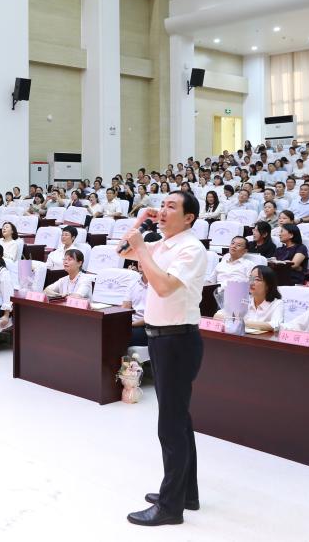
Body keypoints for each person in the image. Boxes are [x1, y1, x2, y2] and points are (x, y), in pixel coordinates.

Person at [119, 191, 207, 526]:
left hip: (178, 341)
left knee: (170, 426)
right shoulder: (164, 244)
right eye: (163, 205)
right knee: (179, 421)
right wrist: (141, 219)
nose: (164, 211)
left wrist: (143, 247)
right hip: (160, 339)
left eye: (172, 207)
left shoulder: (190, 248)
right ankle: (187, 493)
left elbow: (164, 287)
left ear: (189, 218)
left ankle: (171, 507)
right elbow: (122, 251)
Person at [217, 265, 283, 332]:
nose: (251, 283)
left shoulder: (277, 304)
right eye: (251, 278)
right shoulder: (244, 300)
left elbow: (275, 326)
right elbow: (217, 316)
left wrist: (240, 321)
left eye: (257, 279)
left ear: (268, 285)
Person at [121, 262, 148, 346]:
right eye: (139, 258)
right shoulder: (133, 282)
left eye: (143, 258)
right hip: (131, 323)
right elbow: (125, 309)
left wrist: (130, 325)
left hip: (148, 326)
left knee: (124, 335)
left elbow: (152, 317)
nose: (140, 261)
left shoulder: (158, 285)